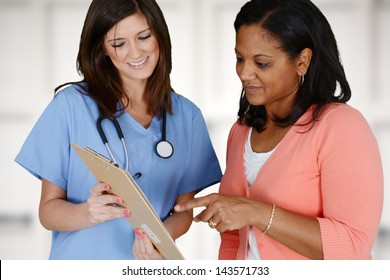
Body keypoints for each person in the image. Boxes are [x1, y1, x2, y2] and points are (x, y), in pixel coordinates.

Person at [174, 0, 384, 260]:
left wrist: (256, 212)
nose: (244, 73)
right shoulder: (241, 132)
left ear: (302, 61)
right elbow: (232, 237)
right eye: (240, 58)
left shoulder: (341, 127)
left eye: (261, 63)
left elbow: (353, 246)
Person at [15, 0, 222, 260]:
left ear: (159, 35)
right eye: (118, 43)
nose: (135, 53)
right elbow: (48, 211)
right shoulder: (70, 106)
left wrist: (158, 240)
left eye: (144, 36)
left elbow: (183, 210)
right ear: (103, 49)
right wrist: (88, 212)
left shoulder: (187, 117)